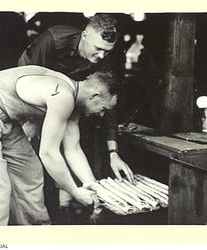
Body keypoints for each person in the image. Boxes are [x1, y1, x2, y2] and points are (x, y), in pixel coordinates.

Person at [0, 65, 119, 226]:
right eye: (103, 108)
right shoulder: (63, 96)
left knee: (30, 172)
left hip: (5, 119)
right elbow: (48, 153)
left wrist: (92, 185)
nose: (102, 114)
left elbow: (73, 149)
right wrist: (75, 192)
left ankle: (34, 236)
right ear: (94, 95)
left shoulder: (74, 98)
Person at [18, 14, 135, 210]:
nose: (101, 56)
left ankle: (66, 206)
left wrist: (113, 152)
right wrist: (32, 119)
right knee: (37, 164)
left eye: (107, 51)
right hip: (32, 102)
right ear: (84, 36)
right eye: (98, 49)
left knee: (71, 147)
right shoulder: (52, 41)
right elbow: (22, 79)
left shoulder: (102, 58)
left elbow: (106, 103)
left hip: (69, 104)